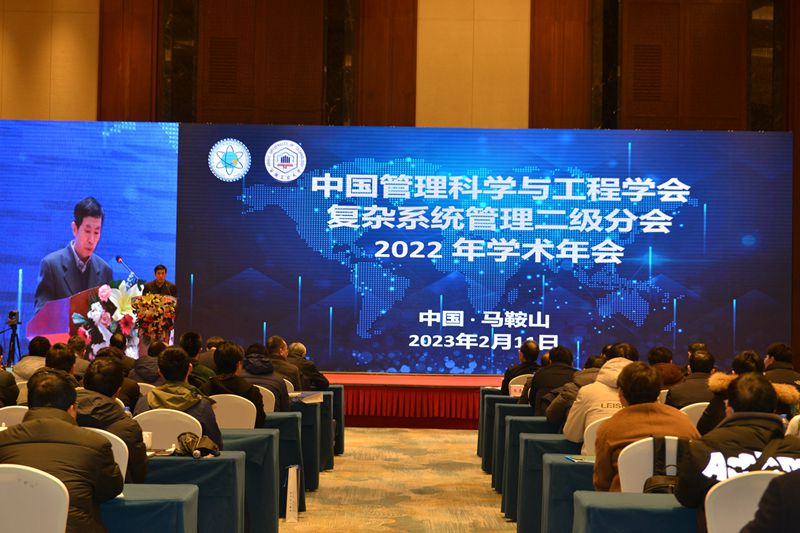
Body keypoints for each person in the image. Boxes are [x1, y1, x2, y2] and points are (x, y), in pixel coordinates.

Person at [0, 369, 123, 532]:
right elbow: (110, 490)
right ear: (73, 408)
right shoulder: (95, 443)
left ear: (30, 406)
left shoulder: (3, 440)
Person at [675, 374, 800, 518]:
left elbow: (686, 498)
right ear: (774, 410)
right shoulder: (796, 449)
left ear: (728, 408)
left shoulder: (702, 448)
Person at [593, 362, 700, 491]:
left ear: (620, 392)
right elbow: (697, 465)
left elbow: (601, 482)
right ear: (659, 392)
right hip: (676, 499)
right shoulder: (684, 422)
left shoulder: (609, 428)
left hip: (623, 500)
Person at [34, 197, 113, 314]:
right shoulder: (51, 266)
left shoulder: (105, 270)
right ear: (75, 228)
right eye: (87, 231)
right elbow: (42, 315)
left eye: (96, 232)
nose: (92, 240)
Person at [133, 346, 223, 448]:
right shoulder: (202, 406)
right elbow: (216, 445)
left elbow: (135, 441)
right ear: (189, 369)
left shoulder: (143, 403)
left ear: (159, 372)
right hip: (191, 458)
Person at [77, 357, 147, 482]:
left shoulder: (61, 418)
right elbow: (138, 476)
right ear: (118, 391)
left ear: (84, 384)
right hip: (117, 490)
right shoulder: (128, 428)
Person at [563, 342, 638, 453]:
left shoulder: (587, 391)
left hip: (593, 459)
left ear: (605, 360)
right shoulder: (647, 391)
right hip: (635, 460)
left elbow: (572, 435)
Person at [696, 350, 771, 434]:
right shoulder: (770, 397)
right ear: (763, 374)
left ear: (733, 374)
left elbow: (702, 429)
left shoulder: (721, 396)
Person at [200, 342, 267, 427]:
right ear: (238, 364)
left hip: (213, 435)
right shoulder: (252, 392)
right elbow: (260, 424)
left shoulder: (204, 390)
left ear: (216, 363)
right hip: (247, 435)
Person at [545, 355, 605, 428]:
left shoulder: (571, 389)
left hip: (576, 433)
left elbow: (551, 415)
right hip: (610, 433)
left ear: (584, 369)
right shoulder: (615, 389)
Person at [240, 344, 291, 412]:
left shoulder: (237, 378)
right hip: (272, 418)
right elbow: (285, 410)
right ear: (267, 357)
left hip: (244, 417)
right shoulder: (279, 380)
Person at [526, 345, 575, 415]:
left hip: (542, 419)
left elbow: (532, 400)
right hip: (568, 419)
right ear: (571, 362)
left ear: (550, 361)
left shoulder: (540, 374)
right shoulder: (576, 376)